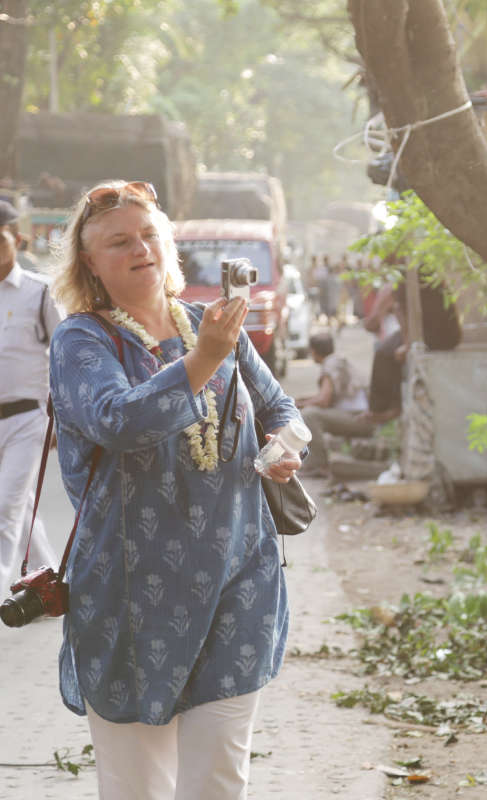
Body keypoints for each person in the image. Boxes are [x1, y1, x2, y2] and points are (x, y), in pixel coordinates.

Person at [47, 180, 302, 800]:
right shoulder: (82, 340)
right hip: (130, 599)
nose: (141, 247)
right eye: (119, 240)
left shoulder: (204, 323)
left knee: (217, 781)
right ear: (90, 262)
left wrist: (282, 448)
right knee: (139, 789)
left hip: (236, 584)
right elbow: (119, 420)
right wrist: (206, 359)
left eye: (150, 234)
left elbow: (282, 409)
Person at [0, 199, 62, 596]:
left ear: (17, 240)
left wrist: (63, 416)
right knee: (17, 508)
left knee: (5, 506)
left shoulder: (40, 294)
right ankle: (49, 580)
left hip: (28, 418)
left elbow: (66, 354)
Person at [362, 277, 461, 423]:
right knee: (385, 351)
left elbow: (381, 319)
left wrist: (407, 345)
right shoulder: (420, 277)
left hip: (433, 333)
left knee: (384, 353)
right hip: (441, 332)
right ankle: (385, 408)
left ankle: (383, 410)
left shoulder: (401, 281)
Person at [297, 331, 373, 478]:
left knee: (309, 415)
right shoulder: (337, 360)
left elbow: (324, 400)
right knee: (308, 410)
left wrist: (301, 404)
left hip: (360, 418)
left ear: (313, 351)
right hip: (360, 416)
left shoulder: (331, 364)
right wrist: (302, 401)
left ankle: (318, 464)